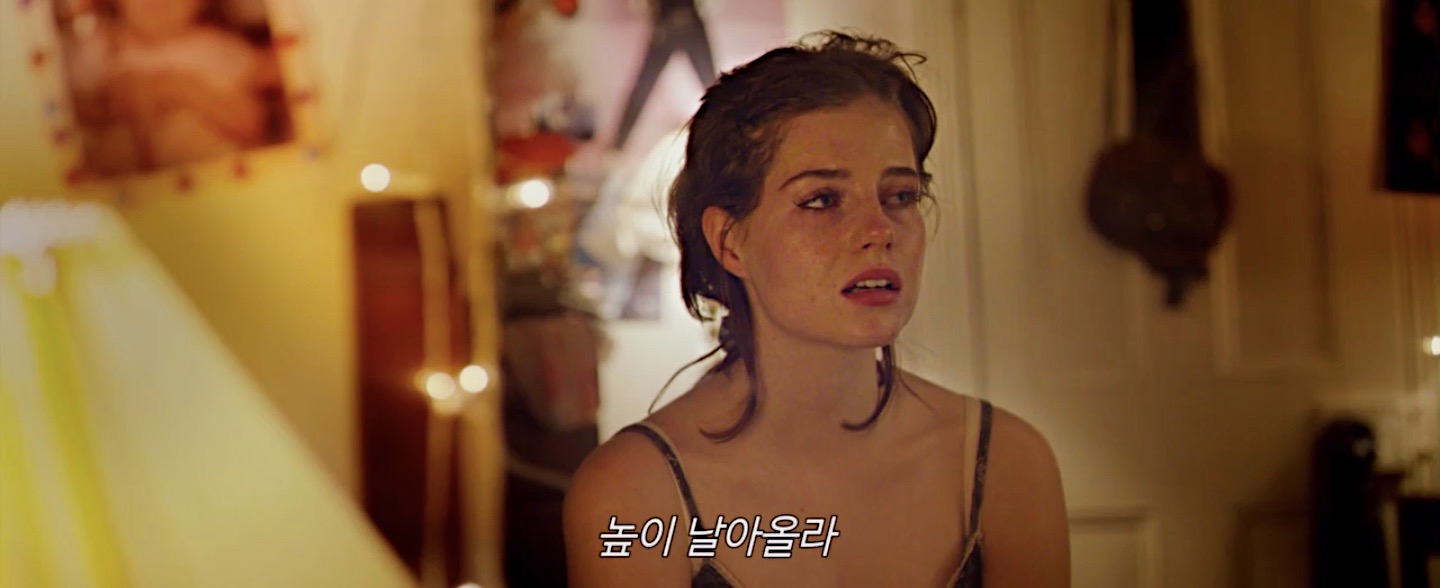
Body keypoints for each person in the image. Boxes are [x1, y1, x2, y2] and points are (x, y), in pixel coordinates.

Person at [563, 32, 1070, 587]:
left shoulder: (1005, 465)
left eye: (900, 196)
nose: (879, 231)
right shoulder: (635, 496)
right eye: (822, 200)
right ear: (730, 241)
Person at [64, 0, 282, 175]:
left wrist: (184, 90)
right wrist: (114, 100)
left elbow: (251, 123)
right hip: (126, 193)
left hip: (208, 181)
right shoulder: (99, 48)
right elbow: (73, 116)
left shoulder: (216, 48)